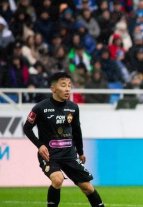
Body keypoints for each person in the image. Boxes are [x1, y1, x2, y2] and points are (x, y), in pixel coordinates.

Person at [23, 72, 105, 207]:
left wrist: (81, 152)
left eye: (69, 85)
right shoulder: (40, 108)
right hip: (50, 154)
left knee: (87, 187)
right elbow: (27, 128)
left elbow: (77, 131)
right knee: (57, 179)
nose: (67, 89)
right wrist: (40, 145)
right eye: (63, 85)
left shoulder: (73, 107)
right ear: (53, 88)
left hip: (69, 154)